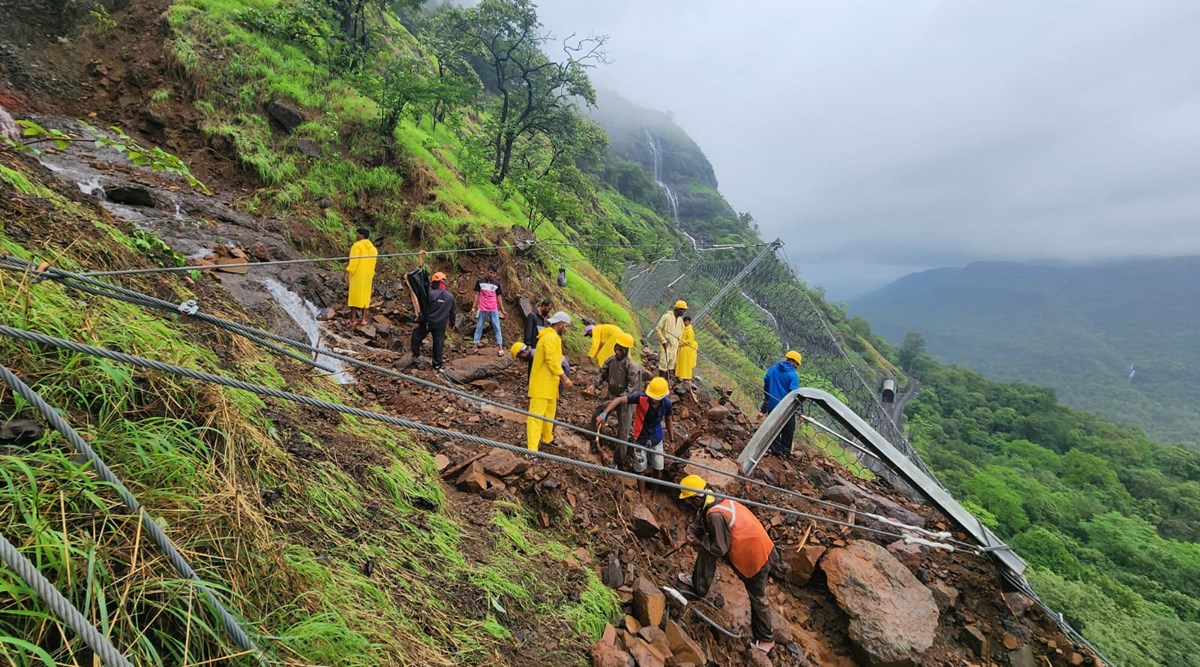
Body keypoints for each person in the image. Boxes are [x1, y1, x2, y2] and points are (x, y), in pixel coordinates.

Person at [676, 475, 777, 656]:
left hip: (756, 555)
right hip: (756, 544)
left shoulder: (715, 515)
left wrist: (697, 542)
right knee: (706, 548)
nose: (689, 504)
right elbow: (701, 520)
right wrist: (692, 532)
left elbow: (720, 548)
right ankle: (698, 584)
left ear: (697, 499)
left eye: (690, 501)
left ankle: (767, 639)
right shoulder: (712, 497)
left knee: (758, 597)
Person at [596, 376, 674, 495]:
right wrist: (604, 413)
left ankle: (653, 495)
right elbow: (619, 400)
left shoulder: (667, 404)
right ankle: (642, 496)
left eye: (656, 398)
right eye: (651, 397)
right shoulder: (641, 397)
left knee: (659, 468)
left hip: (656, 438)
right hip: (640, 437)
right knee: (640, 468)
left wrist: (672, 441)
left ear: (663, 397)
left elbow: (668, 419)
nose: (653, 399)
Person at [593, 332, 644, 469]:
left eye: (621, 349)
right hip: (611, 396)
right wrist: (594, 385)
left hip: (625, 403)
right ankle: (595, 442)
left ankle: (618, 462)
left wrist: (617, 400)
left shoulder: (632, 367)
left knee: (623, 433)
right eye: (617, 347)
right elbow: (602, 374)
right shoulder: (610, 360)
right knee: (597, 415)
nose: (618, 350)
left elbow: (632, 389)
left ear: (627, 351)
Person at [526, 311, 574, 451]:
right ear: (560, 324)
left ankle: (547, 438)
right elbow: (552, 361)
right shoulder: (549, 338)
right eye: (566, 326)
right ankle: (532, 449)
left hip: (550, 386)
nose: (566, 329)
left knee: (549, 415)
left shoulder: (553, 337)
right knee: (536, 417)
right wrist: (564, 379)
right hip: (542, 385)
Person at [411, 271, 456, 370]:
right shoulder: (450, 297)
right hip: (441, 324)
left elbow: (424, 308)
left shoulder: (430, 294)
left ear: (434, 282)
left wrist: (420, 319)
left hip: (428, 321)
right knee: (439, 342)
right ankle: (437, 364)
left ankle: (415, 354)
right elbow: (452, 312)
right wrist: (452, 323)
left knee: (417, 335)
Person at [761, 350, 802, 456]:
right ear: (793, 362)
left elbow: (766, 380)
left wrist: (767, 397)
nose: (796, 366)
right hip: (786, 407)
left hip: (773, 404)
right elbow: (795, 393)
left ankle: (776, 451)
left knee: (773, 427)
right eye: (797, 364)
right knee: (788, 429)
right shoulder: (793, 375)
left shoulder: (774, 369)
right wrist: (799, 409)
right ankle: (786, 452)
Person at [344, 227, 377, 326]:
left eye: (357, 234)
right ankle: (363, 320)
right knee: (365, 296)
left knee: (354, 295)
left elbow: (353, 262)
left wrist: (346, 272)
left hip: (357, 274)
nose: (356, 236)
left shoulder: (357, 246)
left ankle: (353, 319)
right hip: (368, 275)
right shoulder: (373, 249)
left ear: (362, 235)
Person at [472, 265, 508, 356]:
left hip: (493, 308)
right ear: (487, 271)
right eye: (491, 272)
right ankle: (475, 345)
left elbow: (499, 297)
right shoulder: (480, 282)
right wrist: (473, 307)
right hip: (482, 308)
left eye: (494, 273)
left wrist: (502, 309)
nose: (492, 275)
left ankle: (500, 347)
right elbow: (476, 294)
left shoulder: (497, 284)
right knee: (479, 326)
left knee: (497, 327)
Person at [654, 300, 687, 380]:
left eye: (684, 310)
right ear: (677, 309)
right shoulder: (666, 316)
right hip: (666, 344)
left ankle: (665, 384)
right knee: (663, 364)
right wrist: (663, 341)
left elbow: (680, 335)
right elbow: (658, 329)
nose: (684, 312)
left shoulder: (680, 321)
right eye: (682, 310)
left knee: (670, 366)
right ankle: (660, 382)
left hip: (674, 346)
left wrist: (679, 344)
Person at [522, 298, 552, 374]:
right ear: (543, 306)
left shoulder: (546, 319)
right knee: (532, 368)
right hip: (533, 346)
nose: (549, 311)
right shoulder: (532, 316)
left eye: (550, 309)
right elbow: (528, 331)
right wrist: (528, 345)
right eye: (548, 308)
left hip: (542, 347)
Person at [675, 315, 697, 388]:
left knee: (685, 363)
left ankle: (685, 376)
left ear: (689, 322)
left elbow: (690, 341)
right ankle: (679, 375)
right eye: (684, 321)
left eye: (686, 321)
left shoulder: (690, 331)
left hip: (686, 349)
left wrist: (680, 342)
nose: (685, 322)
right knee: (680, 362)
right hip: (682, 348)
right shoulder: (684, 329)